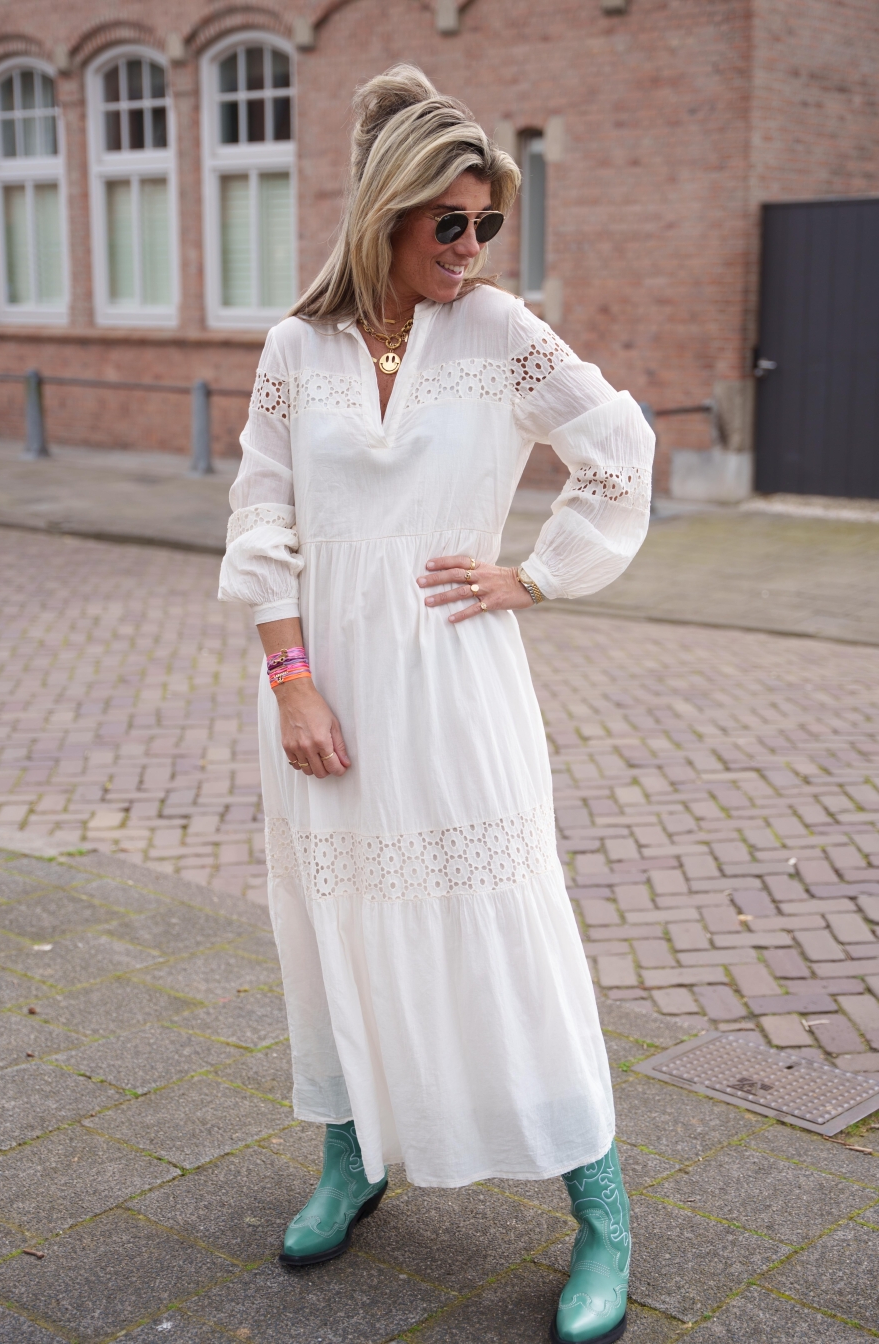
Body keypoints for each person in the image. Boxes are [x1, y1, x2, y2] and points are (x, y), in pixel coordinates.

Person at [219, 64, 654, 1344]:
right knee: (335, 928)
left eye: (486, 223)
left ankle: (601, 1215)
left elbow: (617, 453)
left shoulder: (501, 333)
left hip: (456, 688)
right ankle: (351, 1158)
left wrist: (535, 575)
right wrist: (291, 681)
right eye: (448, 222)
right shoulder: (296, 348)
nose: (469, 246)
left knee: (506, 933)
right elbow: (259, 516)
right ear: (387, 214)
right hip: (322, 697)